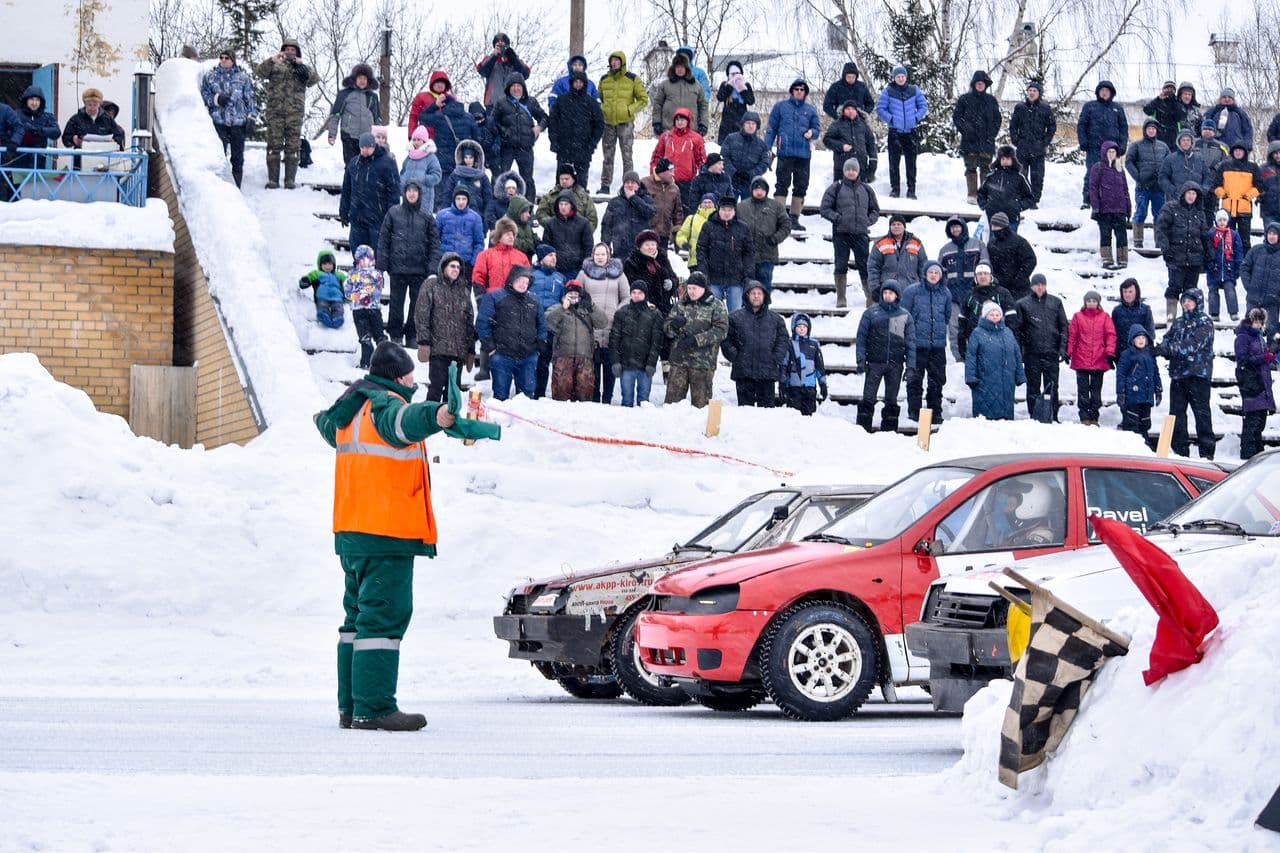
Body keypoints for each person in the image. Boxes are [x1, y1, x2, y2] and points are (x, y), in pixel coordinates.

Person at [315, 338, 500, 732]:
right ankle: (374, 707)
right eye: (411, 373)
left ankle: (351, 707)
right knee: (383, 617)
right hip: (385, 530)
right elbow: (403, 423)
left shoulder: (350, 409)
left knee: (357, 620)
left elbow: (324, 423)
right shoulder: (385, 404)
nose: (415, 379)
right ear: (398, 376)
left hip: (353, 530)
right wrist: (439, 416)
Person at [377, 181, 440, 347]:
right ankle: (395, 333)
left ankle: (412, 334)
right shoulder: (393, 213)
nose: (412, 194)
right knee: (396, 304)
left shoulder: (427, 216)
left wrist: (432, 268)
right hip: (397, 268)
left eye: (415, 191)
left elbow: (434, 244)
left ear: (419, 193)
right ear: (404, 193)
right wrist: (382, 265)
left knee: (417, 306)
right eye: (409, 190)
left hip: (419, 269)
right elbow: (383, 240)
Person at [1158, 288, 1217, 459]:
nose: (1186, 304)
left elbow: (1193, 344)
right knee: (1176, 416)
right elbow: (1168, 338)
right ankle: (1179, 452)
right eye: (1184, 301)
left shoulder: (1205, 322)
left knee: (1202, 416)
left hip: (1198, 375)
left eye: (1190, 300)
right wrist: (1163, 347)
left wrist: (1171, 349)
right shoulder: (1178, 322)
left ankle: (1207, 454)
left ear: (1198, 302)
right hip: (1178, 375)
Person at [476, 266, 546, 400]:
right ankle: (500, 421)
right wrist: (490, 347)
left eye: (526, 282)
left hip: (528, 356)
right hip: (502, 356)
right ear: (512, 279)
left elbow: (542, 324)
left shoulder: (534, 301)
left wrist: (540, 344)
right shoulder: (495, 296)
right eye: (520, 280)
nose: (523, 284)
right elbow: (483, 322)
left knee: (526, 398)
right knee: (500, 397)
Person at [855, 280, 915, 432]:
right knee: (868, 397)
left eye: (891, 293)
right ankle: (862, 429)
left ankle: (889, 431)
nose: (888, 296)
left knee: (891, 398)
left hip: (895, 364)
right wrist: (861, 359)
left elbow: (910, 343)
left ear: (897, 295)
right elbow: (861, 337)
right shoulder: (871, 313)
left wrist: (911, 366)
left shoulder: (904, 315)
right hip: (875, 362)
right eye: (885, 293)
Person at [415, 253, 476, 402]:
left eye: (458, 267)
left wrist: (470, 349)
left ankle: (449, 422)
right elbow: (421, 313)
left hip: (458, 351)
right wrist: (424, 341)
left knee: (453, 392)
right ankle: (429, 421)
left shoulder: (464, 291)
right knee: (436, 388)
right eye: (452, 266)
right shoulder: (431, 285)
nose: (456, 269)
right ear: (443, 267)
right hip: (438, 348)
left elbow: (469, 321)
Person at [820, 159, 880, 308]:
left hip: (861, 234)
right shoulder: (836, 187)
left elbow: (875, 210)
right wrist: (837, 218)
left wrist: (867, 221)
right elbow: (825, 208)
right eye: (848, 169)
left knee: (865, 266)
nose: (851, 172)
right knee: (840, 265)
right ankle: (841, 297)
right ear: (844, 171)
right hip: (841, 233)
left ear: (858, 171)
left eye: (854, 169)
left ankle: (870, 297)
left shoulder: (866, 189)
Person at [663, 273, 729, 408]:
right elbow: (667, 329)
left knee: (701, 406)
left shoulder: (716, 305)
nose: (692, 292)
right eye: (690, 288)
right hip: (679, 360)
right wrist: (673, 326)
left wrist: (697, 340)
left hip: (703, 362)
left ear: (704, 288)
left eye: (695, 288)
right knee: (672, 405)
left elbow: (721, 331)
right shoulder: (681, 304)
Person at [764, 79, 821, 231]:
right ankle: (780, 218)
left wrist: (812, 133)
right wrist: (767, 147)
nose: (799, 91)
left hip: (803, 154)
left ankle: (794, 218)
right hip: (785, 152)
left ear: (806, 92)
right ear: (791, 91)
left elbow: (817, 128)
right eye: (796, 89)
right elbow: (771, 129)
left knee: (801, 186)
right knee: (782, 184)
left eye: (802, 89)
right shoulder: (780, 107)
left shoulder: (810, 109)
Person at [721, 280, 789, 407]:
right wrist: (735, 356)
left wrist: (775, 357)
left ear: (765, 296)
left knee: (766, 413)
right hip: (743, 373)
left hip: (767, 373)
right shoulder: (735, 318)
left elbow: (783, 340)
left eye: (759, 293)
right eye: (753, 293)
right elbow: (726, 339)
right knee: (745, 412)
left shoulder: (776, 320)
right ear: (747, 295)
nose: (756, 296)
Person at [578, 242, 629, 404]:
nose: (600, 257)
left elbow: (627, 297)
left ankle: (607, 398)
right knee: (592, 366)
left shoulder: (619, 274)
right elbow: (576, 294)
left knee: (609, 366)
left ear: (609, 255)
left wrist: (618, 312)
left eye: (603, 254)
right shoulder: (584, 274)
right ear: (593, 255)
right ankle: (593, 398)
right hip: (590, 326)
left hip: (611, 327)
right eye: (597, 254)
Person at [1014, 273, 1068, 421]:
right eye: (1037, 284)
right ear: (1031, 286)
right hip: (1032, 354)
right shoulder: (1022, 304)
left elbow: (1064, 326)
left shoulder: (1055, 302)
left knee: (1052, 387)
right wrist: (1021, 351)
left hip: (1051, 352)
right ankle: (1035, 415)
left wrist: (1062, 349)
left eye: (1042, 284)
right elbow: (1018, 330)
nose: (1040, 287)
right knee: (1033, 387)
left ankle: (1052, 415)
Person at [901, 261, 950, 423]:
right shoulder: (912, 292)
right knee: (915, 380)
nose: (934, 275)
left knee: (936, 381)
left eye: (937, 273)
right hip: (916, 345)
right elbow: (903, 317)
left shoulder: (946, 293)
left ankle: (935, 412)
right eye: (931, 272)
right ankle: (914, 412)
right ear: (925, 273)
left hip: (937, 346)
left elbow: (947, 316)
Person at [415, 72, 479, 193]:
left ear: (444, 104)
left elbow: (422, 117)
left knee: (443, 198)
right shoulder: (469, 118)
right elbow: (476, 140)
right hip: (463, 163)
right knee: (463, 197)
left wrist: (435, 105)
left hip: (443, 164)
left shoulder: (440, 117)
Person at [1155, 182, 1211, 322]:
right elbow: (1161, 229)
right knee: (1174, 289)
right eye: (1189, 193)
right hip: (1176, 257)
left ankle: (1189, 320)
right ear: (1183, 193)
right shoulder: (1170, 208)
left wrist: (1210, 253)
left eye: (1194, 194)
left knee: (1191, 292)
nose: (1191, 196)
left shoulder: (1200, 213)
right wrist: (1166, 249)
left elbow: (1205, 235)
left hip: (1195, 259)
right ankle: (1171, 320)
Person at [339, 132, 400, 257]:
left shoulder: (387, 163)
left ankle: (376, 276)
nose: (365, 150)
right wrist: (344, 211)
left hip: (378, 217)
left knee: (377, 254)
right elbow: (346, 190)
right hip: (357, 216)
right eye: (362, 147)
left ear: (374, 146)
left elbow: (394, 192)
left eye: (368, 147)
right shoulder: (354, 164)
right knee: (358, 253)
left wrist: (391, 215)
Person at [937, 215, 989, 359]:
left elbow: (986, 267)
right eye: (952, 227)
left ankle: (979, 356)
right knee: (954, 329)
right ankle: (959, 359)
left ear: (963, 227)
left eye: (958, 226)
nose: (955, 229)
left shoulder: (978, 245)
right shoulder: (945, 250)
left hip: (975, 295)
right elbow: (939, 274)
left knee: (977, 327)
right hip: (953, 296)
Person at [545, 280, 606, 402]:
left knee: (585, 395)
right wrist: (562, 308)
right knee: (561, 394)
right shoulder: (557, 308)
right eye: (570, 293)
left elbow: (602, 323)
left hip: (585, 358)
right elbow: (548, 323)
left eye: (576, 294)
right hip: (563, 357)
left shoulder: (588, 310)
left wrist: (591, 306)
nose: (573, 296)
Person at [597, 51, 648, 194]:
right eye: (612, 60)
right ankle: (605, 185)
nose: (614, 63)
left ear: (622, 62)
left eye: (617, 60)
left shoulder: (632, 79)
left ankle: (629, 185)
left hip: (625, 123)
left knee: (627, 155)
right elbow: (599, 97)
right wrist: (604, 109)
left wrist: (629, 110)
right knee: (607, 155)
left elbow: (644, 99)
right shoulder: (604, 79)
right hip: (608, 123)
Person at [491, 74, 547, 204]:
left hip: (525, 146)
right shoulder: (501, 102)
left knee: (527, 179)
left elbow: (544, 117)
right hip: (507, 147)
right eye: (513, 86)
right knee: (501, 177)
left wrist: (539, 127)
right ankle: (499, 208)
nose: (516, 89)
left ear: (523, 88)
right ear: (509, 88)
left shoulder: (531, 102)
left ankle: (528, 209)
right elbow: (493, 122)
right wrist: (504, 132)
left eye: (519, 86)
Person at [965, 301, 1025, 421]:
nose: (995, 317)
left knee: (1005, 411)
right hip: (985, 379)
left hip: (1006, 379)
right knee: (986, 413)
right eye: (991, 314)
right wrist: (970, 377)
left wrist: (1020, 375)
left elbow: (1017, 354)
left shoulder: (1008, 332)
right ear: (985, 316)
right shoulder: (977, 333)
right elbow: (971, 356)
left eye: (997, 314)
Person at [875, 65, 928, 199]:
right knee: (894, 162)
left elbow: (923, 105)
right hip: (895, 132)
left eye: (903, 76)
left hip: (910, 131)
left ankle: (911, 189)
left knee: (911, 162)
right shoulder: (888, 91)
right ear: (894, 78)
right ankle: (895, 189)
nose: (900, 78)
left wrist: (916, 117)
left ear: (906, 77)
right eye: (898, 76)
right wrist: (890, 119)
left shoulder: (914, 90)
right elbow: (880, 108)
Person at [697, 196, 755, 313]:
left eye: (730, 210)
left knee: (736, 314)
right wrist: (704, 273)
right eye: (724, 209)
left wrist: (747, 275)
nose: (726, 213)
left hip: (736, 279)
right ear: (718, 210)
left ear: (734, 211)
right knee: (713, 313)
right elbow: (701, 250)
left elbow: (749, 253)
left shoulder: (743, 228)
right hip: (713, 278)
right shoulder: (708, 226)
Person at [610, 281, 665, 406]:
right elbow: (614, 339)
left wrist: (651, 363)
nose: (636, 295)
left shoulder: (654, 314)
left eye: (640, 293)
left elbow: (656, 342)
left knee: (644, 402)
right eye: (633, 292)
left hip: (645, 367)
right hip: (626, 365)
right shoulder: (621, 313)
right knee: (627, 401)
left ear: (645, 294)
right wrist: (615, 361)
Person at [1066, 290, 1116, 426]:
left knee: (1095, 391)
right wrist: (1068, 352)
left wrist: (1109, 353)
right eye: (1089, 301)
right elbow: (1072, 336)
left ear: (1098, 302)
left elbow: (1110, 335)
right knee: (1082, 390)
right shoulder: (1078, 316)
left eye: (1094, 301)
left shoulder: (1105, 317)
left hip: (1099, 359)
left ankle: (1094, 416)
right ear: (1085, 302)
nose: (1091, 303)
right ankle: (1084, 416)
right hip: (1081, 359)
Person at [548, 70, 604, 188]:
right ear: (571, 83)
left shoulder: (591, 103)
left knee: (581, 184)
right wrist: (554, 141)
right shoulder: (561, 101)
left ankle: (580, 205)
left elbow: (599, 125)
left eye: (580, 82)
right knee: (562, 181)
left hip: (583, 149)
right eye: (575, 82)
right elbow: (553, 122)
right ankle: (559, 204)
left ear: (585, 84)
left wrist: (592, 145)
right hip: (564, 148)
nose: (578, 84)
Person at [1076, 80, 1128, 206]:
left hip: (1112, 149)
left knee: (1112, 174)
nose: (1104, 93)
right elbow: (1082, 125)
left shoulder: (1117, 108)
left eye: (1107, 91)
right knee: (1092, 173)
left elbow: (1123, 128)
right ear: (1098, 92)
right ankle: (1088, 199)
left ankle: (1109, 199)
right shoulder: (1090, 106)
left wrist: (1122, 146)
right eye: (1102, 90)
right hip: (1094, 147)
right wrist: (1083, 141)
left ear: (1111, 93)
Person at [1235, 308, 1278, 459]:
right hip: (1252, 385)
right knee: (1252, 424)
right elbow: (1243, 359)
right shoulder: (1243, 337)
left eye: (1260, 321)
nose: (1258, 324)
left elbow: (1262, 359)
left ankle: (1256, 454)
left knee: (1260, 423)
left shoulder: (1259, 337)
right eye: (1255, 321)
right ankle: (1248, 455)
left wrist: (1272, 353)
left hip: (1261, 385)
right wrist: (1264, 357)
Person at [953, 70, 1001, 204]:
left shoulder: (991, 100)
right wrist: (966, 129)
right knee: (970, 167)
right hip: (970, 140)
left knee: (986, 168)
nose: (980, 85)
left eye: (982, 83)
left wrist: (991, 134)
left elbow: (997, 119)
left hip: (986, 140)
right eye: (978, 83)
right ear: (974, 84)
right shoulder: (964, 99)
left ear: (985, 85)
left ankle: (984, 194)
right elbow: (957, 117)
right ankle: (972, 195)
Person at [736, 178, 790, 293]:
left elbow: (786, 225)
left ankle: (764, 310)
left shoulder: (776, 206)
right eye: (756, 189)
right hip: (745, 257)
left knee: (764, 289)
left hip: (767, 255)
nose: (759, 192)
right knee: (746, 290)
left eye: (762, 189)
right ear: (751, 190)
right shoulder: (741, 207)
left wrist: (775, 238)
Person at [959, 262, 1020, 360]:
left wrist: (1012, 345)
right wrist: (962, 347)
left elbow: (1012, 322)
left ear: (990, 275)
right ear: (976, 276)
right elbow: (962, 324)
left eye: (985, 273)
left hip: (999, 345)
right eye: (979, 274)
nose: (982, 276)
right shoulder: (969, 295)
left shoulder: (1003, 293)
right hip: (976, 345)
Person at [1008, 81, 1055, 207]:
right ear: (1027, 92)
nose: (1032, 93)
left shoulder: (1045, 108)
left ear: (1038, 93)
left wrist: (1044, 142)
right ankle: (1022, 198)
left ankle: (1034, 200)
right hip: (1023, 148)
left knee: (1037, 176)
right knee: (1021, 175)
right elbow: (1013, 126)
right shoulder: (1020, 108)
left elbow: (1051, 127)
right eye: (1030, 90)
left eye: (1035, 91)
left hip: (1038, 149)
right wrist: (1016, 141)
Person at [650, 107, 706, 214]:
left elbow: (701, 160)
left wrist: (703, 178)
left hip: (687, 181)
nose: (680, 122)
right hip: (667, 180)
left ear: (688, 121)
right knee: (666, 209)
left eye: (683, 120)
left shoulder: (696, 138)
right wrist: (654, 175)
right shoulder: (666, 136)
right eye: (678, 120)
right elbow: (656, 157)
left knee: (685, 210)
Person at [1125, 119, 1169, 249]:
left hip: (1158, 188)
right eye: (1149, 128)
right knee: (1140, 212)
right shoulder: (1136, 145)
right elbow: (1129, 162)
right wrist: (1138, 177)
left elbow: (1169, 164)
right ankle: (1138, 240)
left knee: (1159, 214)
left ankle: (1159, 241)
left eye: (1154, 128)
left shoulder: (1163, 146)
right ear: (1145, 130)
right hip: (1143, 187)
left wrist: (1164, 178)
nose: (1151, 130)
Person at [1088, 141, 1132, 270]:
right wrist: (1095, 206)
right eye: (1109, 152)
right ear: (1104, 153)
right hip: (1104, 209)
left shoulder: (1120, 169)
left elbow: (1125, 189)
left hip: (1119, 208)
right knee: (1105, 234)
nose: (1112, 154)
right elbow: (1093, 188)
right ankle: (1107, 258)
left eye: (1114, 152)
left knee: (1121, 234)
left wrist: (1128, 207)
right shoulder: (1098, 167)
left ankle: (1122, 258)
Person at [529, 244, 566, 398]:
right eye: (550, 255)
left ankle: (540, 394)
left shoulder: (560, 278)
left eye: (555, 255)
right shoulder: (530, 274)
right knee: (530, 360)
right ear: (541, 258)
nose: (553, 258)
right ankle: (526, 392)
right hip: (531, 323)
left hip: (551, 325)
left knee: (544, 361)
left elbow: (563, 299)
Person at [326, 64, 379, 166]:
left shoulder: (372, 96)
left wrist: (380, 137)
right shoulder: (344, 94)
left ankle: (363, 183)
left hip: (367, 137)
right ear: (354, 79)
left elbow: (377, 118)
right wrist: (332, 134)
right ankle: (349, 182)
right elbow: (335, 115)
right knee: (351, 165)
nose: (362, 81)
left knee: (367, 166)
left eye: (364, 78)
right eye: (359, 78)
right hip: (349, 135)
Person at [1214, 143, 1261, 253]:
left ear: (1245, 152)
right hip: (1227, 210)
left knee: (1244, 240)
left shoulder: (1252, 167)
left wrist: (1247, 197)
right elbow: (1216, 185)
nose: (1238, 152)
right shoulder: (1224, 166)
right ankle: (1228, 261)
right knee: (1226, 238)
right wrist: (1223, 195)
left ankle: (1244, 262)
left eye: (1240, 150)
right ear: (1232, 152)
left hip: (1244, 209)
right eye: (1236, 150)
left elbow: (1259, 187)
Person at [1158, 130, 1209, 231]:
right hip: (1175, 198)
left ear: (1192, 142)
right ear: (1179, 142)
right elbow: (1162, 177)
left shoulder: (1199, 159)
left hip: (1195, 199)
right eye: (1183, 140)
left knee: (1195, 226)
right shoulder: (1170, 159)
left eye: (1188, 140)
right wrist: (1173, 190)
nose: (1186, 142)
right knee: (1174, 226)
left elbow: (1207, 176)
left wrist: (1202, 190)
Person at [345, 244, 386, 369]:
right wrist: (359, 296)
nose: (365, 262)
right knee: (364, 337)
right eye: (362, 259)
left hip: (373, 308)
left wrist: (369, 295)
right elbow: (347, 292)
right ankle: (366, 362)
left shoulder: (377, 274)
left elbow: (378, 290)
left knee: (379, 336)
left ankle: (384, 361)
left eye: (367, 259)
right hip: (359, 310)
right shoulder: (352, 274)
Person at [1116, 325, 1161, 437]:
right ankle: (1133, 445)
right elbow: (1121, 374)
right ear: (1132, 340)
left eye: (1143, 338)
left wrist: (1158, 390)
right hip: (1132, 395)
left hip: (1147, 396)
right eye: (1138, 338)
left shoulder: (1150, 355)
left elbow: (1155, 374)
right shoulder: (1127, 354)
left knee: (1145, 423)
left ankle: (1145, 443)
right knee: (1132, 423)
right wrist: (1120, 391)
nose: (1141, 340)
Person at [601, 171, 657, 261]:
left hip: (641, 249)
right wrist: (606, 246)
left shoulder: (647, 200)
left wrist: (633, 198)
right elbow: (606, 226)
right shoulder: (614, 202)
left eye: (633, 182)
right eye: (627, 183)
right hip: (620, 250)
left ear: (638, 185)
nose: (630, 185)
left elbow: (650, 213)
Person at [976, 145, 1034, 232]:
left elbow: (1029, 198)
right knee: (993, 243)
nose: (1005, 161)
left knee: (1010, 243)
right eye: (1002, 159)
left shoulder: (1019, 178)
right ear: (999, 160)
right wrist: (986, 206)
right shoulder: (991, 177)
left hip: (1011, 218)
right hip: (993, 218)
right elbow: (981, 194)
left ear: (1013, 160)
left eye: (1007, 159)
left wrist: (1018, 206)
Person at [651, 50, 708, 137]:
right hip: (669, 130)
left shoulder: (696, 85)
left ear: (686, 68)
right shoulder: (664, 85)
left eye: (682, 66)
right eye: (677, 67)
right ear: (674, 68)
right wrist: (656, 122)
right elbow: (658, 104)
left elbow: (703, 105)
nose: (680, 69)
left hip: (691, 131)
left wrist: (703, 124)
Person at [868, 214, 927, 297]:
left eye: (899, 224)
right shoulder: (880, 243)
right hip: (888, 290)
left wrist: (924, 286)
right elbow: (873, 268)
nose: (896, 227)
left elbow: (923, 266)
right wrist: (875, 287)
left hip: (911, 289)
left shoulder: (916, 243)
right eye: (893, 224)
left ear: (904, 226)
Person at [541, 190, 595, 279]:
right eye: (561, 204)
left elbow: (588, 247)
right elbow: (546, 246)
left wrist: (584, 267)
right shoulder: (550, 223)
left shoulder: (583, 223)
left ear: (572, 205)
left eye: (566, 204)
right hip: (555, 270)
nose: (563, 207)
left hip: (577, 270)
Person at [624, 229, 678, 316]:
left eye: (653, 244)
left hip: (664, 308)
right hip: (643, 309)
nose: (650, 247)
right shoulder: (632, 262)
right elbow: (631, 286)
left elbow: (674, 277)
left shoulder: (662, 259)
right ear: (640, 247)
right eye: (647, 245)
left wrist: (672, 283)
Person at [782, 313, 828, 416]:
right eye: (799, 326)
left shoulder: (814, 345)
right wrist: (782, 383)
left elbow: (819, 367)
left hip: (809, 388)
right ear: (794, 328)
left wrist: (823, 384)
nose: (802, 329)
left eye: (804, 327)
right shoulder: (789, 344)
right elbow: (784, 365)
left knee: (809, 415)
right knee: (794, 415)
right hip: (794, 387)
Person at [472, 217, 530, 297]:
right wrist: (481, 299)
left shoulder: (522, 257)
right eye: (508, 234)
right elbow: (478, 278)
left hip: (515, 301)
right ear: (499, 236)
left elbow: (528, 279)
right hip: (493, 300)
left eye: (513, 234)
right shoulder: (485, 255)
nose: (511, 237)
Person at [823, 101, 876, 186]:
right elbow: (827, 140)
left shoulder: (863, 125)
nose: (850, 111)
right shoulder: (837, 124)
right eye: (848, 109)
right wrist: (841, 146)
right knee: (840, 195)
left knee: (860, 196)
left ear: (857, 111)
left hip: (861, 167)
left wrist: (873, 163)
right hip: (841, 167)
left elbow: (871, 144)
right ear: (843, 111)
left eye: (853, 109)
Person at [985, 212, 1037, 300]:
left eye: (996, 226)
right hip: (999, 287)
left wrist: (1018, 279)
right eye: (992, 225)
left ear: (1004, 226)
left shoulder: (1019, 242)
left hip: (1019, 290)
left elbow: (1031, 260)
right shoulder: (992, 243)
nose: (993, 229)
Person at [720, 112, 772, 199]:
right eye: (748, 123)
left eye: (753, 123)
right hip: (731, 181)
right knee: (728, 208)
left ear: (757, 126)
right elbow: (724, 157)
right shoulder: (731, 138)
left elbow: (764, 163)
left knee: (747, 210)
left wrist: (750, 174)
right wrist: (734, 172)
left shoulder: (761, 145)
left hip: (751, 183)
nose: (750, 126)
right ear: (743, 124)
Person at [1242, 222, 1280, 339]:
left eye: (1274, 234)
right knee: (1248, 331)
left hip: (1272, 302)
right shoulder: (1256, 250)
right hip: (1253, 299)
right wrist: (1249, 286)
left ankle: (1270, 357)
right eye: (1269, 233)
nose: (1271, 236)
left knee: (1271, 333)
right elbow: (1244, 267)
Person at [536, 165, 599, 232]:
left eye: (567, 179)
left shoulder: (584, 197)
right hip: (555, 235)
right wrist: (554, 225)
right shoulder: (550, 196)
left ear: (573, 179)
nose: (564, 181)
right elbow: (541, 214)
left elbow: (592, 219)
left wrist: (582, 231)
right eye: (561, 179)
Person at [1206, 209, 1244, 321]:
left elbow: (1238, 252)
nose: (1222, 222)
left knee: (1230, 290)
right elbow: (1207, 251)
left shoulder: (1233, 234)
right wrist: (1209, 264)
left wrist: (1238, 267)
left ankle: (1233, 312)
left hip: (1229, 269)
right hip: (1214, 269)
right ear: (1216, 221)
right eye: (1220, 220)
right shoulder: (1211, 234)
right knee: (1213, 291)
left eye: (1224, 220)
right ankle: (1214, 313)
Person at [436, 188, 486, 273]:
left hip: (466, 264)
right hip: (445, 262)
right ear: (454, 199)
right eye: (458, 199)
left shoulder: (475, 218)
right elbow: (435, 239)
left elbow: (479, 243)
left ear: (468, 200)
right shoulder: (442, 215)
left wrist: (473, 262)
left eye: (464, 199)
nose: (461, 202)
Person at [61, 87, 125, 152]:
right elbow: (65, 138)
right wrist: (73, 139)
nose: (92, 108)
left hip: (103, 156)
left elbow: (118, 137)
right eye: (89, 105)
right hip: (81, 156)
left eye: (95, 105)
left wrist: (114, 141)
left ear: (99, 104)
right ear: (85, 104)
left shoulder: (108, 119)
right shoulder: (76, 119)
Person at [477, 33, 531, 108]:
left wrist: (514, 58)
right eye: (498, 44)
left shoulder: (513, 61)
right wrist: (494, 56)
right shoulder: (489, 59)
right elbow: (482, 70)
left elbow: (526, 73)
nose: (501, 47)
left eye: (503, 43)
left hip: (513, 105)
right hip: (493, 104)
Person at [12, 86, 60, 171]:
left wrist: (39, 130)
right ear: (26, 100)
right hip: (18, 160)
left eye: (37, 100)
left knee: (37, 183)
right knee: (18, 183)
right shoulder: (16, 114)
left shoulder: (47, 116)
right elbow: (9, 131)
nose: (34, 103)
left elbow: (56, 132)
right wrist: (23, 130)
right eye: (31, 99)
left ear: (41, 102)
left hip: (39, 162)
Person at [298, 250, 347, 329]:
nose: (327, 266)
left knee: (338, 307)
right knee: (322, 306)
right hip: (322, 296)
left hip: (337, 297)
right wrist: (305, 280)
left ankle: (337, 318)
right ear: (320, 265)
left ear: (334, 264)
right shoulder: (317, 273)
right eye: (324, 264)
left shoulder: (339, 275)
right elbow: (310, 277)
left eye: (330, 264)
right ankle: (324, 315)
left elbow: (347, 282)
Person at [642, 158, 684, 251]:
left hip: (664, 234)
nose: (673, 174)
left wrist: (677, 233)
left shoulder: (674, 188)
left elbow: (678, 212)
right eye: (670, 171)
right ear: (662, 172)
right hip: (646, 233)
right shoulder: (645, 183)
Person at [1111, 278, 1155, 362]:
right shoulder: (1117, 311)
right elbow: (1113, 333)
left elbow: (1150, 333)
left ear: (1136, 292)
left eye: (1130, 292)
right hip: (1122, 354)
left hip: (1141, 354)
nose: (1127, 295)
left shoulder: (1145, 310)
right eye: (1125, 292)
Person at [715, 61, 756, 144]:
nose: (735, 76)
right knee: (725, 143)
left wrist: (742, 89)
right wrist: (729, 86)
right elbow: (720, 97)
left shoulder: (746, 85)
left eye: (737, 73)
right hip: (727, 120)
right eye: (733, 74)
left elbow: (751, 101)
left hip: (741, 118)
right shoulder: (725, 84)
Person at [1203, 88, 1254, 153]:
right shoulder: (1212, 111)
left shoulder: (1240, 113)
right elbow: (1203, 127)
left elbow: (1248, 130)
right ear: (1220, 99)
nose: (1227, 99)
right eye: (1224, 97)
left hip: (1235, 149)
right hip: (1215, 149)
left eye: (1229, 97)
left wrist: (1247, 146)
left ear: (1233, 99)